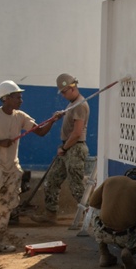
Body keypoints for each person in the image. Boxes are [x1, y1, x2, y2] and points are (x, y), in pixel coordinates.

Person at [0, 80, 60, 256]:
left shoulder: (21, 117)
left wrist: (53, 120)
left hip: (12, 169)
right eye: (18, 97)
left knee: (6, 207)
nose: (21, 100)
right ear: (6, 98)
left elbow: (40, 132)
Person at [31, 73, 90, 224]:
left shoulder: (80, 105)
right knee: (51, 181)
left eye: (64, 91)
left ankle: (90, 216)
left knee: (76, 186)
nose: (63, 95)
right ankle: (50, 215)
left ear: (73, 87)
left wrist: (64, 147)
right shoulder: (72, 104)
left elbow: (77, 133)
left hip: (74, 148)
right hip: (67, 147)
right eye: (62, 92)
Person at [87, 167, 136, 269]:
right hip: (125, 236)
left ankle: (104, 254)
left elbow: (92, 202)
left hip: (102, 231)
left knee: (97, 214)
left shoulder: (111, 180)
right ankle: (128, 251)